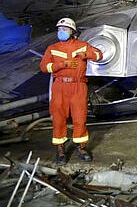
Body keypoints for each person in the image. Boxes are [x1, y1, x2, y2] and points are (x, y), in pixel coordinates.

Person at [40, 17, 103, 165]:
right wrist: (61, 64)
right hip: (60, 87)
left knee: (79, 117)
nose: (61, 32)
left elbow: (99, 55)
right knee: (58, 118)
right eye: (59, 29)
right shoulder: (52, 48)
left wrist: (86, 55)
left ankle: (81, 148)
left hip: (78, 87)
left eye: (64, 29)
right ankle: (60, 150)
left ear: (72, 31)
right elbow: (44, 67)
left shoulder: (82, 46)